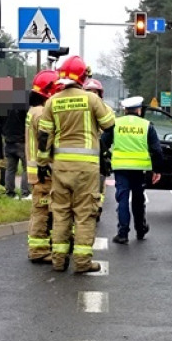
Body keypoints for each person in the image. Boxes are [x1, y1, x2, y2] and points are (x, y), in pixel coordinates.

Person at [36, 55, 116, 273]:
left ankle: (58, 260)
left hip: (61, 167)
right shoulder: (90, 99)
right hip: (86, 168)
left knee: (61, 213)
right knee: (84, 214)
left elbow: (44, 136)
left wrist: (43, 163)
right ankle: (82, 262)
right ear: (83, 76)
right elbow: (109, 124)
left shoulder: (53, 101)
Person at [102, 95, 163, 244]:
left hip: (121, 168)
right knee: (138, 199)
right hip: (139, 169)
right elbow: (156, 150)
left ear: (125, 110)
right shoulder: (147, 125)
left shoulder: (115, 124)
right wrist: (157, 170)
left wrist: (108, 156)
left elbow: (102, 143)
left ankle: (122, 233)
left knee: (122, 199)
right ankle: (140, 229)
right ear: (138, 110)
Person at [24, 69, 62, 263]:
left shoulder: (34, 111)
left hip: (37, 171)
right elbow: (45, 142)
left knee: (41, 209)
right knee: (42, 211)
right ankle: (38, 250)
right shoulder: (41, 113)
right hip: (43, 171)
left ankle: (41, 246)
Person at [83, 78, 111, 220]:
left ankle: (97, 208)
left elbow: (110, 128)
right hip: (83, 153)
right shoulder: (79, 108)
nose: (92, 95)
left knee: (99, 184)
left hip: (99, 152)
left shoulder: (106, 109)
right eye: (88, 92)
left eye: (94, 92)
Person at [2, 89, 30, 199]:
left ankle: (9, 192)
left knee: (10, 169)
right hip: (21, 141)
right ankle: (25, 193)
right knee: (26, 168)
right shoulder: (23, 107)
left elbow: (0, 122)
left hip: (8, 142)